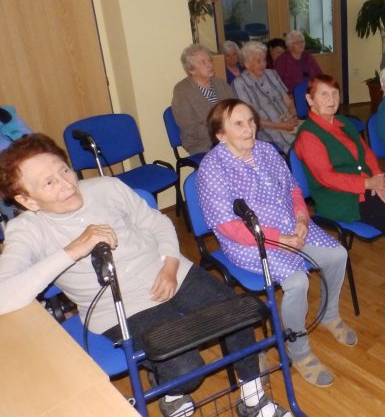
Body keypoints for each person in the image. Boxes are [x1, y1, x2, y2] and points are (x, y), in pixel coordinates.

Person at [0, 134, 289, 417]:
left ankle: (254, 401)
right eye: (49, 183)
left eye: (64, 170)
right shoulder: (26, 230)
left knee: (238, 316)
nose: (66, 185)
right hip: (119, 306)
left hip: (169, 270)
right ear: (28, 200)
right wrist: (73, 250)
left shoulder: (106, 187)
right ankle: (171, 391)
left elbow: (158, 223)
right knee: (186, 369)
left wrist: (170, 265)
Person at [197, 99, 354, 389]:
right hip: (250, 241)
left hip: (290, 225)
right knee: (297, 281)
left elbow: (293, 189)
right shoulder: (212, 169)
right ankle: (299, 351)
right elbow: (230, 227)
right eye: (238, 124)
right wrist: (279, 239)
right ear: (220, 135)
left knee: (337, 255)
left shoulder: (266, 150)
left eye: (251, 121)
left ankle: (329, 314)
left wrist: (302, 218)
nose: (249, 128)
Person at [294, 74, 385, 315]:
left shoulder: (343, 122)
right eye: (324, 95)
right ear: (310, 100)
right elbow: (327, 178)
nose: (331, 99)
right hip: (339, 198)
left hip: (367, 186)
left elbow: (367, 154)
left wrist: (379, 180)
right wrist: (368, 183)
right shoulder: (308, 135)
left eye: (335, 93)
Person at [234, 41, 299, 154]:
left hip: (288, 121)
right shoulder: (239, 84)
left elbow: (288, 101)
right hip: (267, 128)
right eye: (258, 61)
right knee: (298, 146)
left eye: (264, 60)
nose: (263, 64)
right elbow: (250, 119)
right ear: (246, 63)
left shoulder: (272, 74)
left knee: (312, 135)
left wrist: (293, 116)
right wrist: (280, 125)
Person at [172, 43, 234, 156]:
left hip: (231, 138)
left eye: (209, 60)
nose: (209, 65)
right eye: (203, 62)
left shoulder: (221, 84)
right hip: (203, 144)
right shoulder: (182, 91)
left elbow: (236, 109)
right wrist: (222, 133)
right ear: (191, 69)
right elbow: (190, 128)